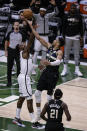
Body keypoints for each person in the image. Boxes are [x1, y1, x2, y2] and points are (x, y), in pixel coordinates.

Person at [28, 20, 63, 124]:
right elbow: (38, 37)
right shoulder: (49, 46)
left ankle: (49, 118)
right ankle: (38, 114)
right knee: (37, 93)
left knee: (49, 97)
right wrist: (31, 27)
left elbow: (58, 62)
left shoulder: (59, 51)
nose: (54, 40)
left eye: (56, 40)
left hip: (53, 75)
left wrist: (49, 63)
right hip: (46, 72)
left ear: (58, 43)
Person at [12, 28, 45, 129]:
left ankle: (17, 118)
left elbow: (30, 65)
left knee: (21, 98)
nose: (23, 44)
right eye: (21, 44)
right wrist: (33, 29)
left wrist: (38, 66)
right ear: (21, 49)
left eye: (23, 43)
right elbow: (30, 42)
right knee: (29, 100)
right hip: (24, 79)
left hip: (23, 77)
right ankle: (34, 122)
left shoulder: (26, 56)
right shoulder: (24, 53)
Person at [32, 7, 58, 74]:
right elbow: (30, 13)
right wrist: (32, 5)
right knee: (36, 52)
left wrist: (55, 5)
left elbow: (56, 12)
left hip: (46, 36)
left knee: (44, 53)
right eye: (41, 11)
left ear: (45, 12)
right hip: (39, 36)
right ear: (39, 11)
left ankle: (41, 68)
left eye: (43, 11)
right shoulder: (36, 16)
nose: (42, 12)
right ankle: (33, 69)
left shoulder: (47, 16)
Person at [61, 3, 83, 77]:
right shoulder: (66, 16)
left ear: (76, 9)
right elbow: (63, 27)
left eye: (74, 8)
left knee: (76, 54)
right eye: (72, 8)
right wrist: (63, 36)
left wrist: (82, 36)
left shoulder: (79, 16)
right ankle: (65, 69)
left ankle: (77, 70)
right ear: (69, 9)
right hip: (67, 37)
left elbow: (81, 27)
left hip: (76, 37)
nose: (73, 9)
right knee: (66, 54)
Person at [5, 21, 26, 87]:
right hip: (11, 50)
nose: (16, 26)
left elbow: (24, 42)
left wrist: (22, 48)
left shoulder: (22, 34)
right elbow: (6, 42)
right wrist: (6, 51)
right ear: (13, 26)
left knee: (19, 67)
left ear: (19, 26)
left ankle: (19, 81)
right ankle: (9, 82)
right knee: (9, 67)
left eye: (17, 25)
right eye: (15, 25)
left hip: (18, 52)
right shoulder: (10, 33)